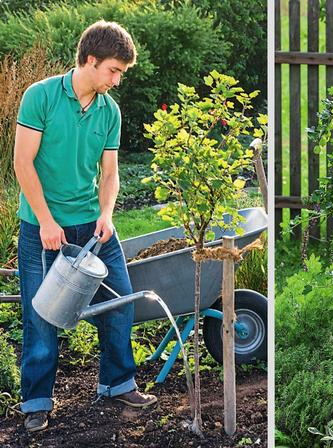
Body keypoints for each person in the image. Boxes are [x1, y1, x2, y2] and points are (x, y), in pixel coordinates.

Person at [13, 20, 157, 433]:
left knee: (120, 302)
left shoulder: (109, 110)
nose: (117, 79)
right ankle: (37, 402)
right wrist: (45, 220)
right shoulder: (40, 97)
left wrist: (107, 213)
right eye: (113, 70)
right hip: (42, 227)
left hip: (92, 230)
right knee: (40, 316)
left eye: (121, 73)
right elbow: (23, 163)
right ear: (90, 60)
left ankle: (116, 384)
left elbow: (109, 173)